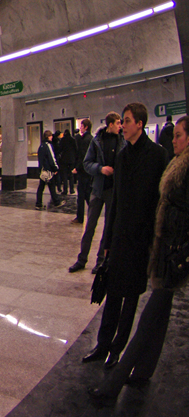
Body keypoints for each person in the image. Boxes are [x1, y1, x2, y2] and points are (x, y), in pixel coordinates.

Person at [88, 115, 189, 403]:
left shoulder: (168, 161)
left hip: (171, 253)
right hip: (158, 246)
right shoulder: (167, 161)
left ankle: (113, 385)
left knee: (146, 320)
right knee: (158, 316)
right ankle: (143, 370)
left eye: (179, 135)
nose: (173, 139)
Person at [82, 103, 168, 369]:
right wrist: (107, 241)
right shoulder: (121, 156)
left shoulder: (157, 155)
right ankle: (102, 344)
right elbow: (116, 201)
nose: (123, 126)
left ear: (139, 124)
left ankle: (117, 348)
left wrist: (154, 240)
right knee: (113, 292)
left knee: (130, 296)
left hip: (140, 239)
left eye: (127, 121)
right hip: (120, 235)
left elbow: (159, 201)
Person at [71, 113, 124, 273]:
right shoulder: (97, 141)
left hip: (112, 189)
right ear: (110, 124)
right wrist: (101, 169)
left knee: (108, 227)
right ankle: (81, 259)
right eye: (118, 123)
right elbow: (87, 163)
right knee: (90, 226)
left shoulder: (122, 141)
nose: (120, 126)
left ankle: (100, 261)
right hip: (98, 188)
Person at [73, 119, 94, 225]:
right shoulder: (91, 138)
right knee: (87, 193)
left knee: (81, 195)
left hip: (83, 171)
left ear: (86, 127)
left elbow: (83, 156)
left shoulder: (85, 140)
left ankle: (80, 217)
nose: (80, 128)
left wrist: (77, 168)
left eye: (81, 126)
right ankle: (92, 214)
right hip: (89, 171)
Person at [35, 130, 62, 209]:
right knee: (52, 186)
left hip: (42, 170)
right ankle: (56, 202)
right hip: (48, 170)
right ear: (48, 136)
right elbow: (51, 157)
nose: (52, 137)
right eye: (50, 136)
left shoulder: (41, 146)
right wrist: (55, 168)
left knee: (41, 187)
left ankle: (38, 203)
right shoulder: (48, 145)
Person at [58, 129, 77, 196]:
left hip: (64, 160)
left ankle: (65, 190)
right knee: (71, 175)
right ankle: (72, 190)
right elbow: (76, 149)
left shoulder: (62, 140)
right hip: (71, 159)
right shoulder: (73, 140)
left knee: (65, 175)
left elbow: (59, 149)